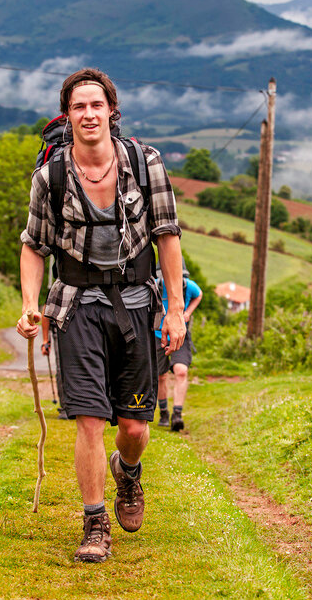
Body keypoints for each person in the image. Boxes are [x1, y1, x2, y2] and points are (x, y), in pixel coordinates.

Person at [17, 68, 186, 564]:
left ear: (112, 110)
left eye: (96, 105)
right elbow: (33, 247)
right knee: (89, 418)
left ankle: (127, 472)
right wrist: (31, 305)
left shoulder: (145, 162)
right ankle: (95, 524)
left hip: (136, 301)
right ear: (67, 116)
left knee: (134, 427)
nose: (88, 114)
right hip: (77, 306)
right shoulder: (50, 177)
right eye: (78, 107)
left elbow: (168, 236)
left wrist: (175, 311)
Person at [154, 264, 203, 432]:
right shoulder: (156, 285)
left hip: (180, 334)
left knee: (181, 371)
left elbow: (199, 295)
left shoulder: (188, 286)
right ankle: (163, 413)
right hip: (158, 335)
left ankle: (177, 414)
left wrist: (188, 312)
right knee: (161, 376)